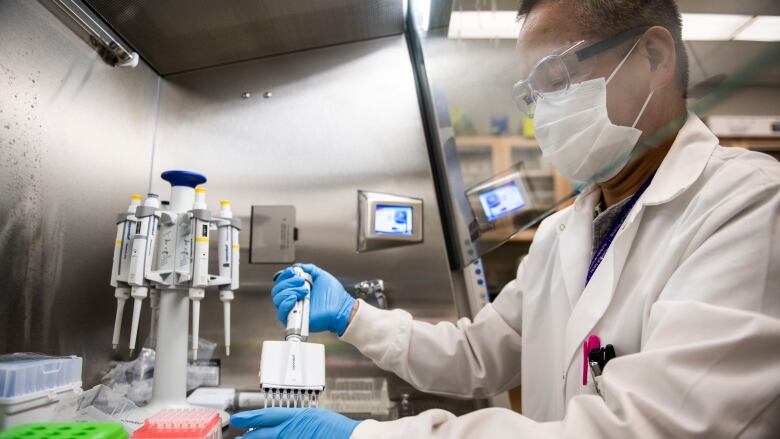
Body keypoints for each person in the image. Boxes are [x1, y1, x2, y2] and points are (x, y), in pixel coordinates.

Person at [232, 0, 780, 437]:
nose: (542, 111)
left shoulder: (748, 205)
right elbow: (476, 355)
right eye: (530, 93)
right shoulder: (562, 232)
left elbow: (644, 429)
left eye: (556, 76)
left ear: (653, 57)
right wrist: (354, 317)